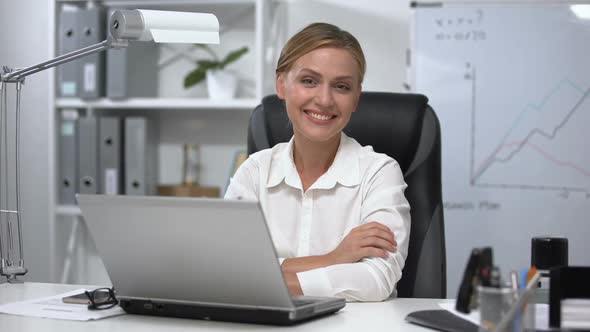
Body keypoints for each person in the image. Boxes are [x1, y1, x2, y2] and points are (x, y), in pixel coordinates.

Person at [224, 22, 410, 302]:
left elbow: (375, 280)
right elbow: (226, 272)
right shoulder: (254, 172)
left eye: (341, 86)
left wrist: (265, 276)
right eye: (309, 80)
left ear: (356, 97)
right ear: (281, 84)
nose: (324, 99)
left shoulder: (379, 173)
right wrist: (337, 257)